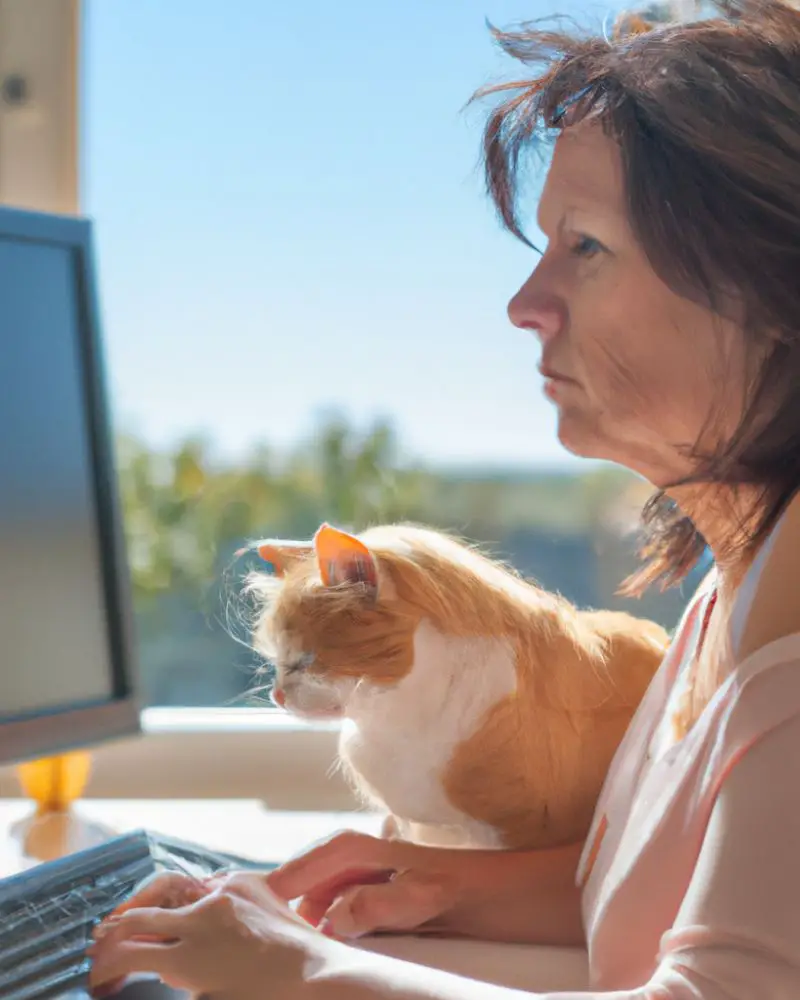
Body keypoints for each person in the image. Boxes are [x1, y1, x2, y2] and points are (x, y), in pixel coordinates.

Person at [88, 1, 800, 997]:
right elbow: (647, 903)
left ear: (764, 283)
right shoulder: (735, 589)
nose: (523, 304)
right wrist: (375, 879)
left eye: (582, 246)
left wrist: (293, 968)